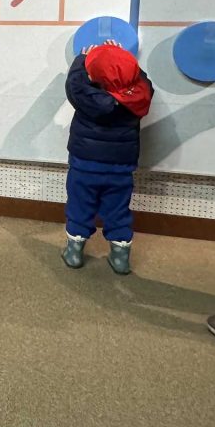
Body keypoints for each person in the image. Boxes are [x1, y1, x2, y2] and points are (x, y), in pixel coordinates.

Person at [62, 39, 153, 274]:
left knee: (80, 207)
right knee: (118, 211)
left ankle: (74, 253)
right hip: (120, 170)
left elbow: (74, 84)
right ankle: (120, 258)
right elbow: (143, 81)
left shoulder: (87, 98)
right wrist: (121, 58)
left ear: (93, 77)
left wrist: (81, 60)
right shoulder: (140, 96)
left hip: (84, 167)